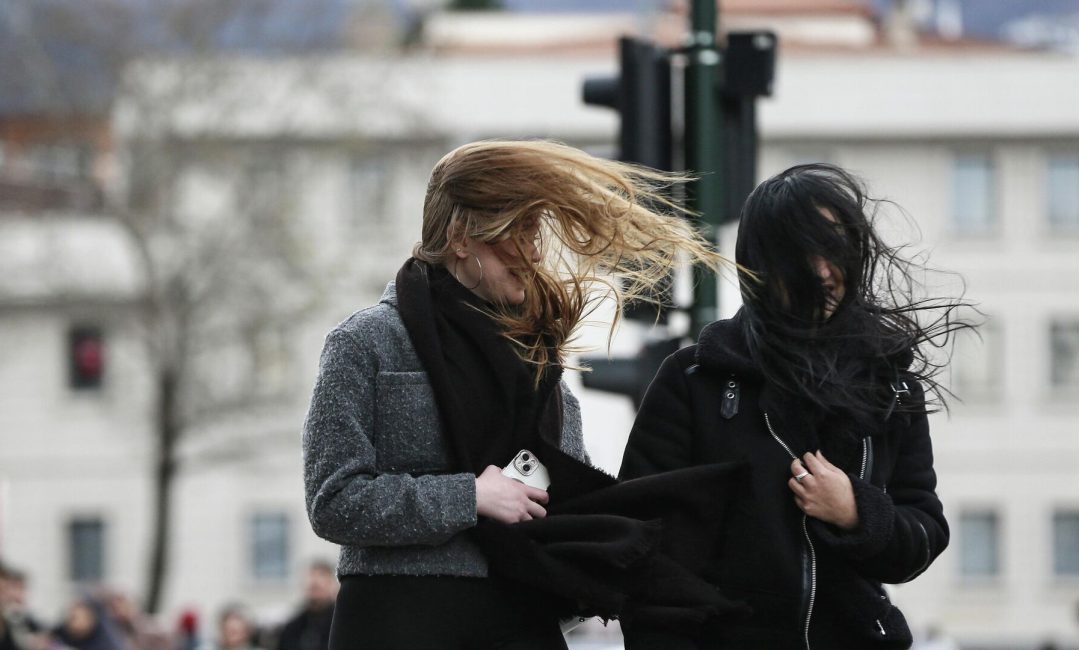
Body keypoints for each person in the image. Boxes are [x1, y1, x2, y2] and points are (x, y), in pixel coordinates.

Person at [302, 139, 721, 649]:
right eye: (521, 231)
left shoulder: (539, 358)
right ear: (462, 237)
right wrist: (470, 496)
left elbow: (562, 497)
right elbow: (334, 501)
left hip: (519, 618)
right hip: (398, 616)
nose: (538, 251)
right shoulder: (367, 342)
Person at [620, 163, 969, 649]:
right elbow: (643, 550)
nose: (825, 272)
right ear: (762, 266)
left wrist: (856, 511)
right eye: (805, 253)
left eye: (836, 250)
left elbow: (923, 535)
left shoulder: (890, 387)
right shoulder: (694, 381)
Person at [274, 561, 337, 650]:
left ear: (332, 584)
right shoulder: (292, 628)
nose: (314, 581)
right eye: (311, 576)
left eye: (321, 576)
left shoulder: (341, 625)